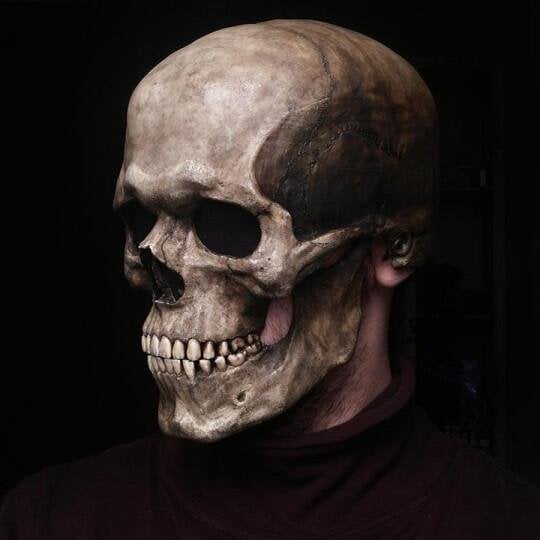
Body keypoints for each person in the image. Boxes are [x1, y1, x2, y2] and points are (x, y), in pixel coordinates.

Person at [1, 19, 539, 540]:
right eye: (140, 218)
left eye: (225, 224)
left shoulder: (508, 525)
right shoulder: (44, 521)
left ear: (392, 249)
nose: (158, 264)